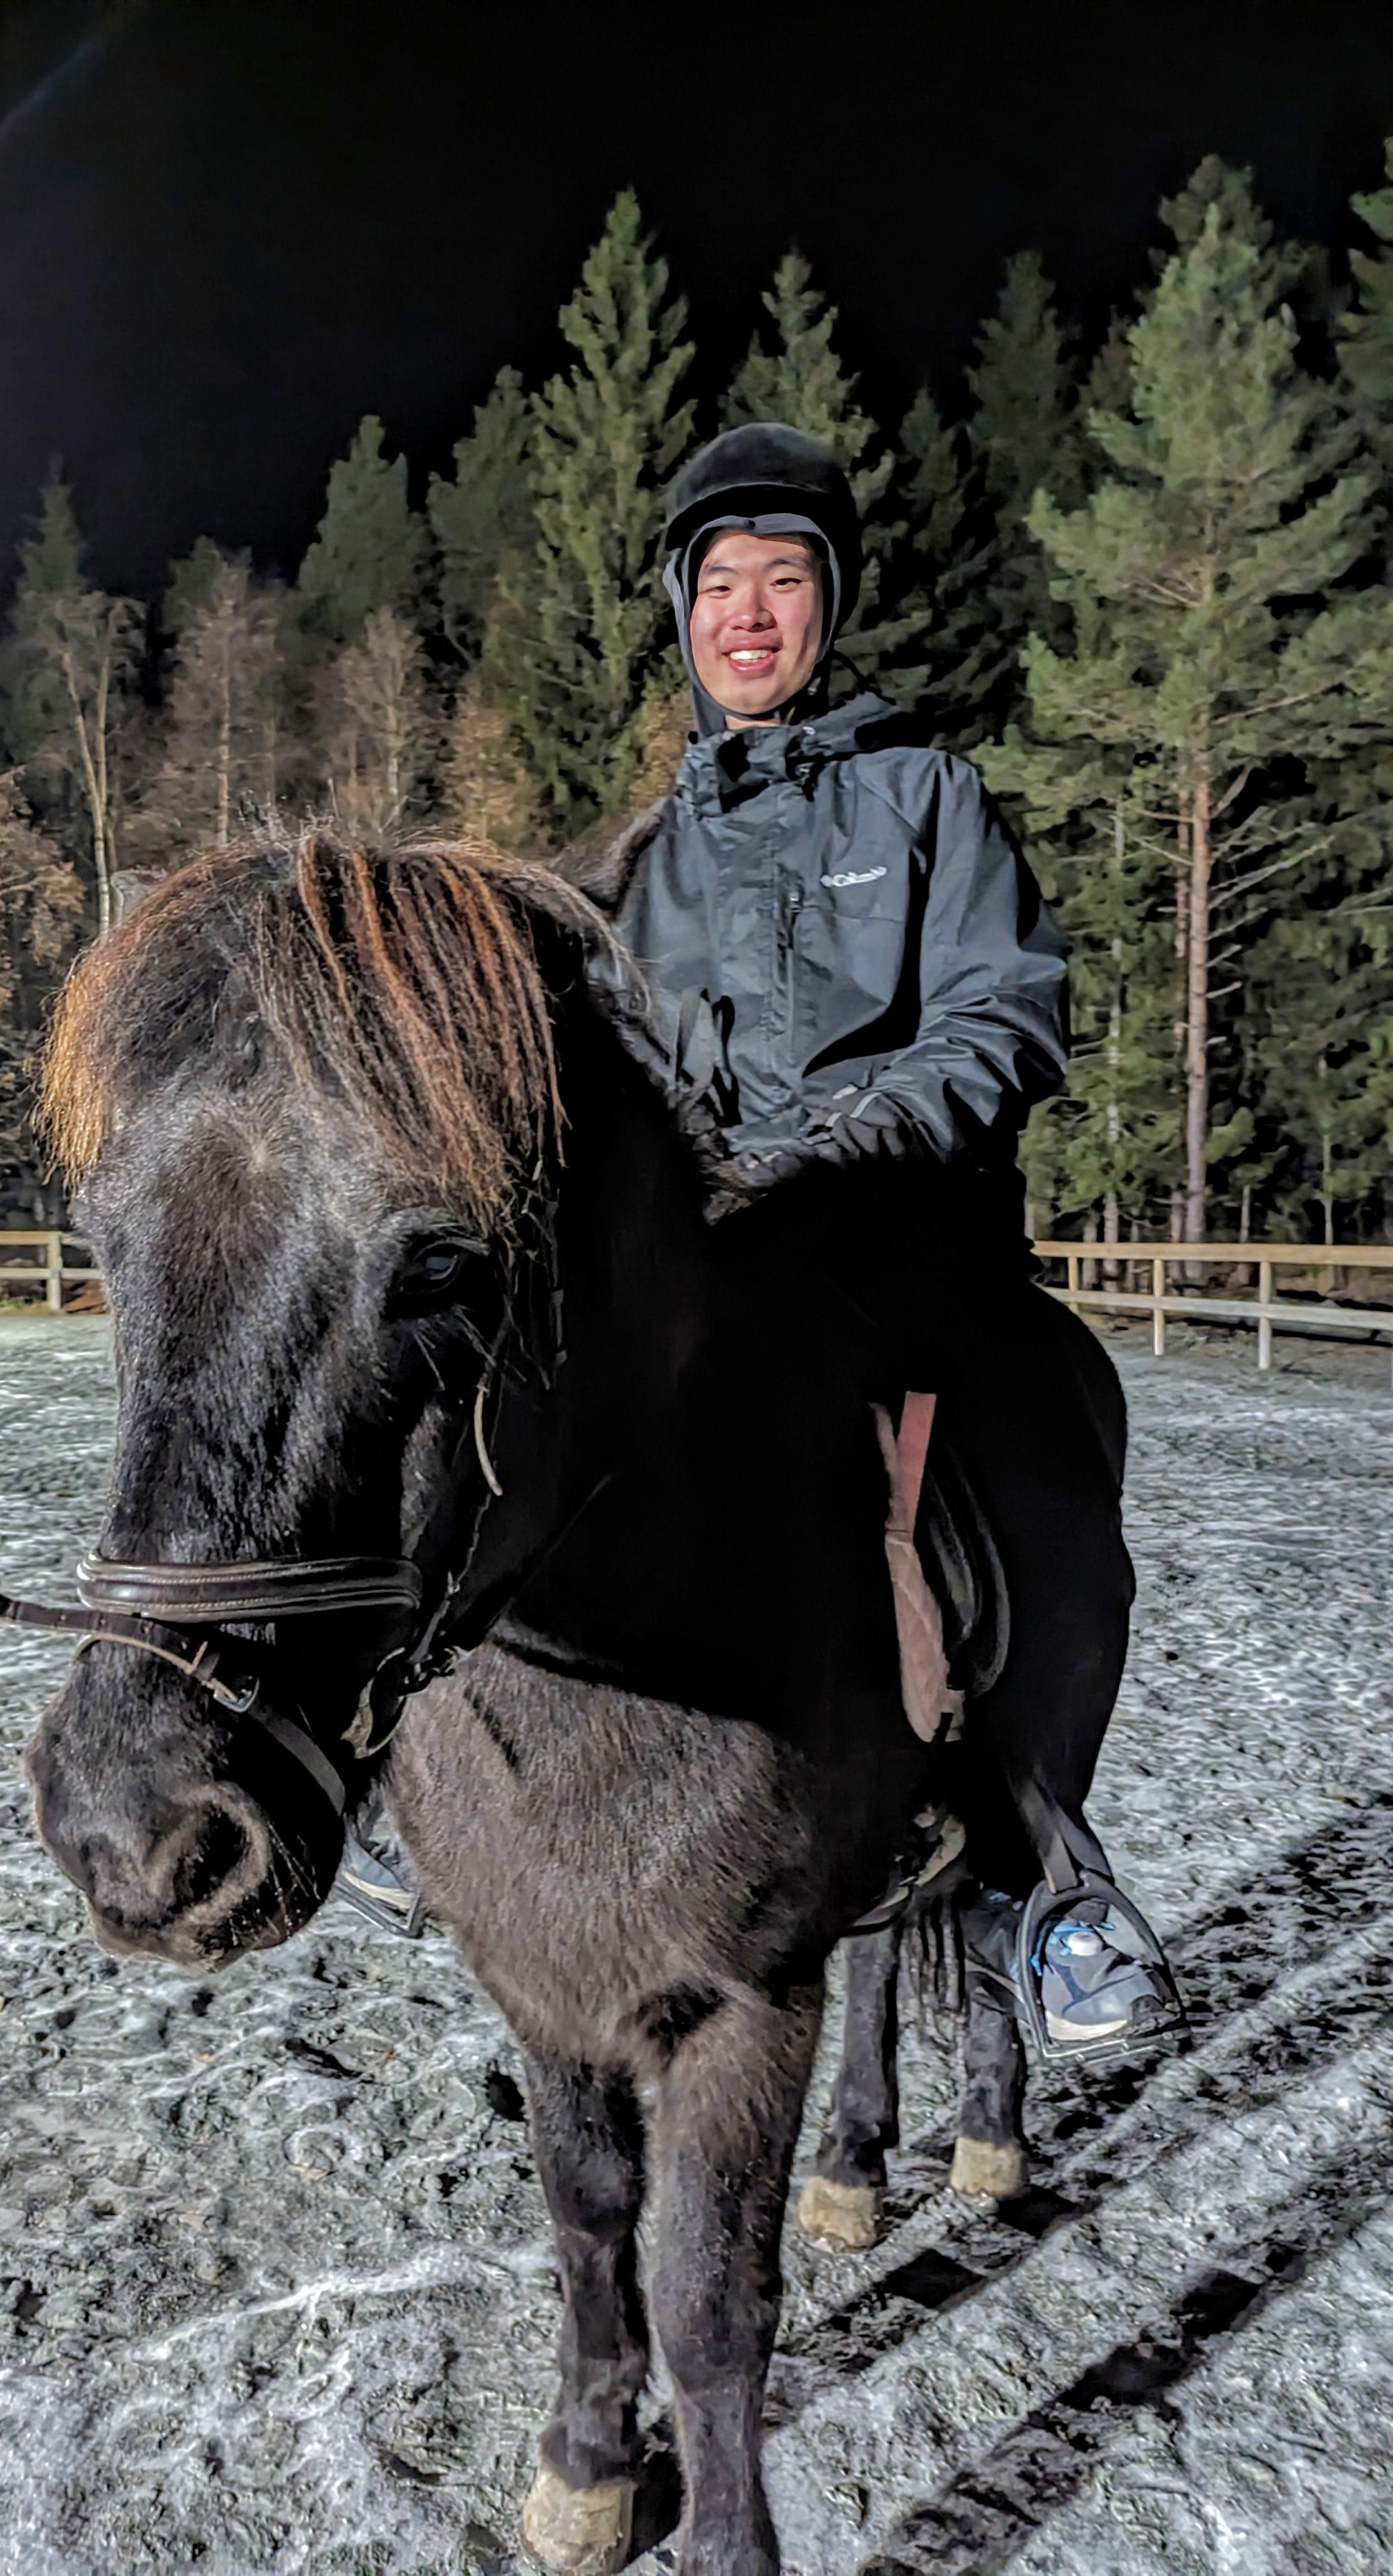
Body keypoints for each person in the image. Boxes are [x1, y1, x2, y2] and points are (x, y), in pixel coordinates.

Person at [594, 422, 1182, 2063]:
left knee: (971, 1477)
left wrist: (850, 1135)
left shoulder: (926, 798)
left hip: (895, 1228)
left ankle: (1038, 1875)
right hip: (707, 1246)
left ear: (829, 606)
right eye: (722, 584)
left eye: (786, 581)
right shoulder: (648, 867)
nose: (752, 614)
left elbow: (1010, 1011)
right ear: (684, 612)